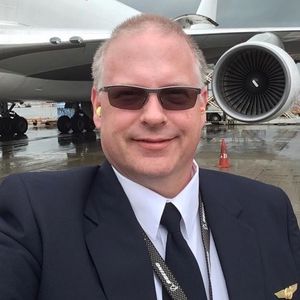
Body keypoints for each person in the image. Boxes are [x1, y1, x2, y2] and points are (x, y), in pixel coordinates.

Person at [0, 14, 299, 300]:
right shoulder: (33, 219)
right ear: (97, 106)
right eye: (127, 95)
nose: (154, 116)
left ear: (201, 106)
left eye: (176, 95)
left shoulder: (270, 210)